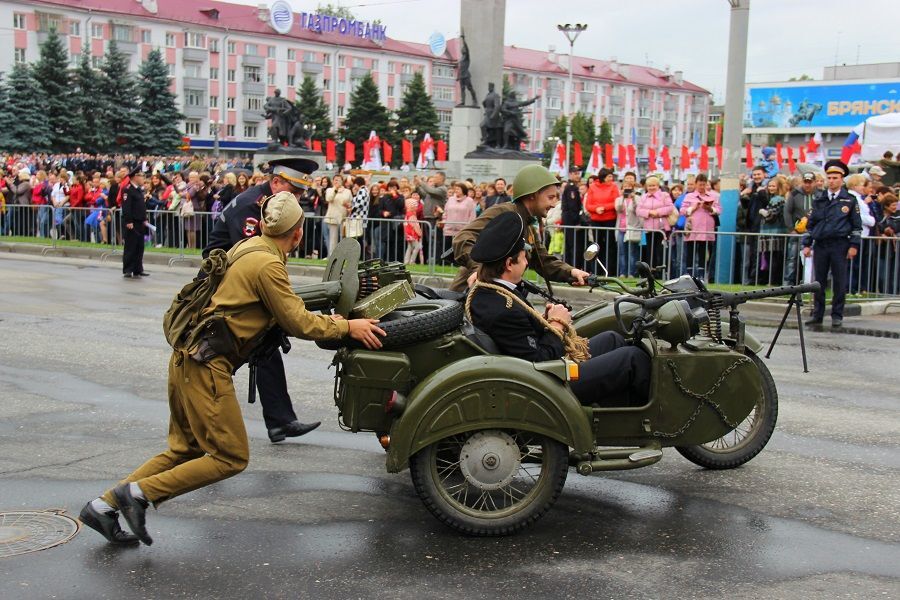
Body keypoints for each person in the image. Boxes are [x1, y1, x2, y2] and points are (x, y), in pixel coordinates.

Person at [79, 191, 386, 546]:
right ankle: (139, 494)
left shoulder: (249, 246)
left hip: (185, 359)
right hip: (207, 366)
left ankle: (101, 507)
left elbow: (274, 305)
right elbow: (299, 323)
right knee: (230, 457)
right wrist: (348, 326)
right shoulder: (269, 264)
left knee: (185, 449)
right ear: (299, 233)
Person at [465, 211, 650, 406]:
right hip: (546, 385)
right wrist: (557, 324)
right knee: (633, 359)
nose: (528, 262)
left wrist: (543, 320)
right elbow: (539, 360)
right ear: (509, 264)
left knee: (613, 339)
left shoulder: (490, 293)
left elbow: (521, 338)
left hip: (543, 372)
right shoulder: (502, 308)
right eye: (523, 257)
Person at [204, 157, 325, 443]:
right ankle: (205, 426)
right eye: (293, 192)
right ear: (277, 182)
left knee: (265, 348)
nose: (297, 200)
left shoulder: (269, 204)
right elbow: (251, 258)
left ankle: (280, 421)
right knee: (222, 356)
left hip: (241, 281)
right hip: (224, 286)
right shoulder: (252, 207)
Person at [449, 164, 590, 292]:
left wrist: (572, 272)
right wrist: (477, 269)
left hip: (493, 296)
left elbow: (543, 260)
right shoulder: (504, 213)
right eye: (550, 197)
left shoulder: (527, 224)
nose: (554, 204)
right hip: (469, 296)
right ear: (533, 195)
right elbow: (463, 237)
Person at [802, 160, 862, 328]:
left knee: (839, 281)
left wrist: (854, 246)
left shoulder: (849, 200)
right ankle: (818, 314)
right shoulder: (820, 199)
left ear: (842, 179)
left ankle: (837, 314)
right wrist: (807, 244)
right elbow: (810, 224)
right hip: (821, 244)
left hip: (840, 244)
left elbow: (856, 226)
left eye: (835, 177)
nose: (832, 180)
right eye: (829, 177)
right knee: (819, 282)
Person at [680, 174, 721, 280]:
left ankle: (701, 276)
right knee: (690, 253)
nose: (702, 187)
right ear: (696, 184)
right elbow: (682, 211)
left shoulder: (713, 196)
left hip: (706, 229)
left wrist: (710, 208)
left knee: (703, 253)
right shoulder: (689, 196)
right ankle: (689, 276)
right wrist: (693, 208)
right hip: (692, 228)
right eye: (699, 185)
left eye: (704, 185)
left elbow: (719, 210)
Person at [783, 172, 816, 285]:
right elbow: (787, 211)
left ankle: (813, 283)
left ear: (814, 182)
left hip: (814, 231)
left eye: (810, 182)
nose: (807, 185)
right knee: (792, 258)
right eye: (805, 182)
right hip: (798, 231)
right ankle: (788, 283)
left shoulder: (820, 194)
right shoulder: (795, 194)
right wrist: (791, 228)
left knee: (812, 259)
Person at [583, 168, 619, 271]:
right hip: (596, 220)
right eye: (609, 176)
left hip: (610, 219)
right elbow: (588, 204)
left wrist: (604, 208)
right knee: (597, 245)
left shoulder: (614, 187)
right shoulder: (593, 187)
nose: (611, 178)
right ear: (603, 177)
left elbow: (616, 202)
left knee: (610, 245)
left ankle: (610, 269)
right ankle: (596, 269)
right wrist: (596, 209)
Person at [635, 175, 674, 271]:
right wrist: (649, 212)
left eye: (654, 185)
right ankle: (651, 272)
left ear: (658, 186)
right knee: (650, 251)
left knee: (659, 250)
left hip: (661, 228)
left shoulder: (665, 195)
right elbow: (638, 210)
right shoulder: (643, 197)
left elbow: (670, 208)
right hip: (649, 228)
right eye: (649, 186)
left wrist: (658, 212)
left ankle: (660, 272)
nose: (651, 188)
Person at [121, 168, 149, 278]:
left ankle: (138, 269)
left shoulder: (138, 189)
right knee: (130, 246)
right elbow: (126, 207)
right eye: (141, 176)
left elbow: (141, 206)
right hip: (132, 222)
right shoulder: (128, 189)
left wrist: (144, 218)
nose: (143, 179)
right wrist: (129, 221)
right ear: (135, 177)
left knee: (139, 246)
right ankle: (128, 269)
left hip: (140, 222)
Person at [323, 174, 350, 255]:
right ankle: (332, 256)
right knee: (333, 239)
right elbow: (328, 199)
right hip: (333, 217)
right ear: (333, 181)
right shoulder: (329, 190)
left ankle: (342, 256)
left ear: (342, 181)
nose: (337, 181)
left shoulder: (347, 191)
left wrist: (348, 206)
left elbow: (350, 203)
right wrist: (335, 190)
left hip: (343, 217)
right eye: (335, 180)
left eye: (339, 180)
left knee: (343, 238)